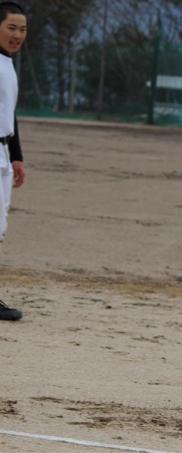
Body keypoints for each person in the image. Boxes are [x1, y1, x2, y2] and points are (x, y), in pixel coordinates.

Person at [0, 0, 26, 322]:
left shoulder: (7, 63)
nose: (17, 34)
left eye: (22, 29)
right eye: (11, 27)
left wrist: (16, 156)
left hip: (3, 153)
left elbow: (9, 114)